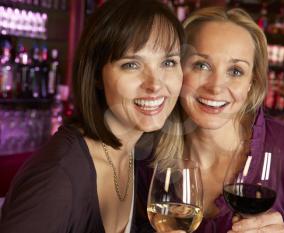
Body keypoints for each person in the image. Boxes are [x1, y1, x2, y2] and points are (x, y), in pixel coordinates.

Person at [134, 7, 284, 233]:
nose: (216, 87)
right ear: (177, 69)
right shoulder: (145, 150)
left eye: (236, 71)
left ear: (251, 84)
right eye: (201, 65)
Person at [0, 0, 184, 232]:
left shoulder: (137, 155)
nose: (155, 85)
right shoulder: (58, 179)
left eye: (168, 62)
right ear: (97, 74)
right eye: (131, 65)